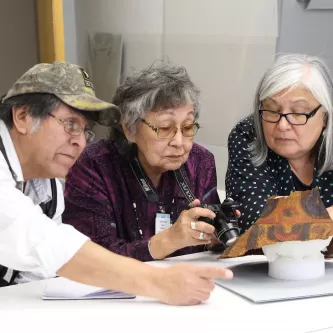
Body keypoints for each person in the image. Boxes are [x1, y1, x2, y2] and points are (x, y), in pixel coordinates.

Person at [0, 61, 232, 305]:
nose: (79, 142)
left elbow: (40, 273)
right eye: (70, 124)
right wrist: (158, 282)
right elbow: (50, 245)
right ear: (23, 116)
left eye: (84, 130)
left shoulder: (47, 183)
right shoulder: (93, 165)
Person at [63, 61, 222, 261]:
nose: (179, 142)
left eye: (188, 127)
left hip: (186, 284)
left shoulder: (200, 162)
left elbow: (208, 249)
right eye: (165, 128)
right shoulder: (94, 166)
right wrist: (167, 241)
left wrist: (216, 239)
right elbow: (89, 259)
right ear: (129, 128)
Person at [225, 53, 333, 234]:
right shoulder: (248, 134)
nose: (282, 125)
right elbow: (256, 222)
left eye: (299, 112)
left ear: (325, 117)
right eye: (272, 110)